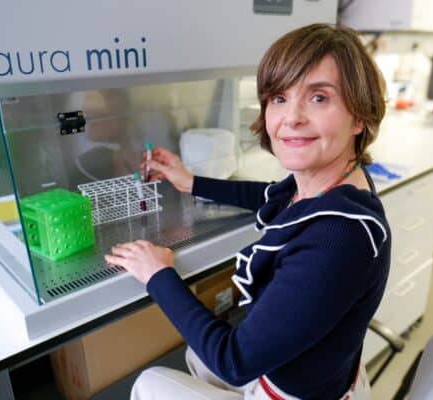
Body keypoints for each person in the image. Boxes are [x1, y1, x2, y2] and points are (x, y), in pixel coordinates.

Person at [105, 23, 389, 400]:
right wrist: (191, 182)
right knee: (197, 354)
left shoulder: (339, 239)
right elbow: (273, 195)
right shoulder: (342, 183)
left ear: (360, 117)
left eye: (319, 97)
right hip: (317, 372)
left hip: (292, 394)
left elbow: (234, 360)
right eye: (279, 98)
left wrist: (158, 275)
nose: (291, 118)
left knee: (151, 382)